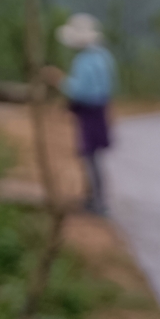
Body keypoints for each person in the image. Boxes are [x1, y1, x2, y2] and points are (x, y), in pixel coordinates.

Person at [41, 13, 117, 216]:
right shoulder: (104, 57)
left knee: (90, 156)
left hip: (89, 112)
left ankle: (97, 202)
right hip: (100, 110)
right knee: (94, 157)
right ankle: (96, 199)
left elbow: (80, 90)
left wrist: (58, 80)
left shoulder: (84, 61)